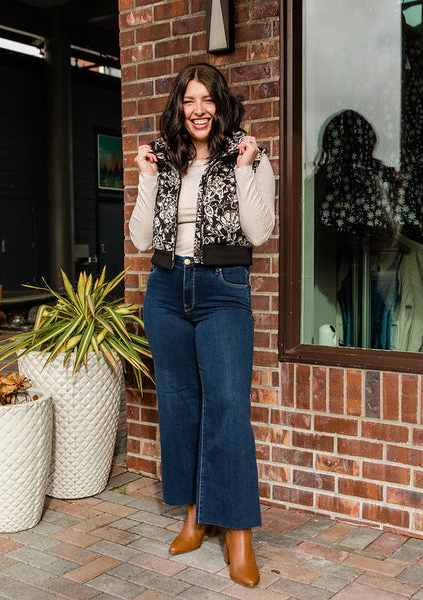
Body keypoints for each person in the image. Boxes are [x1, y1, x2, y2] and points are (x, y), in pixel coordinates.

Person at [129, 62, 275, 587]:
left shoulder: (250, 157)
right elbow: (143, 240)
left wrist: (243, 168)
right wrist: (147, 181)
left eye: (207, 99)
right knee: (180, 406)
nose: (198, 110)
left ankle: (238, 533)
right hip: (167, 291)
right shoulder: (164, 161)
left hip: (222, 291)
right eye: (189, 100)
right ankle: (195, 516)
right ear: (179, 106)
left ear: (221, 103)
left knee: (230, 408)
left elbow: (258, 232)